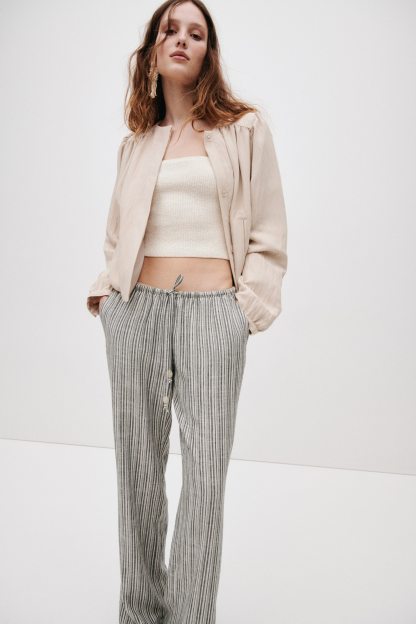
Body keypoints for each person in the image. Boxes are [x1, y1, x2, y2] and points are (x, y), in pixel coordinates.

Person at [86, 0, 288, 622]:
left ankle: (191, 614)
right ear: (153, 48)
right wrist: (109, 301)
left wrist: (243, 310)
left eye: (196, 34)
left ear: (208, 52)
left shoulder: (244, 129)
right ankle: (141, 612)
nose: (182, 40)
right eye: (170, 30)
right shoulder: (136, 145)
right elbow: (118, 236)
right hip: (137, 313)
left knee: (204, 478)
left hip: (214, 315)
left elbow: (268, 230)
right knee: (137, 471)